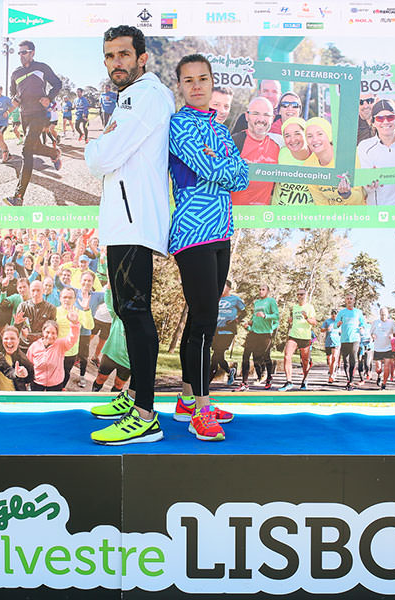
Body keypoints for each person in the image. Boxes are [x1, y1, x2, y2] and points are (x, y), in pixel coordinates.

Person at [84, 25, 174, 445]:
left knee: (135, 313)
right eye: (109, 56)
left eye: (123, 54)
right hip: (126, 220)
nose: (115, 62)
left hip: (134, 221)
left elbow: (101, 158)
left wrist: (98, 142)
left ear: (142, 58)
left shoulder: (143, 96)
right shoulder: (134, 97)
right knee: (126, 308)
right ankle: (134, 394)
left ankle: (145, 417)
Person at [163, 54, 249, 439]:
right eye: (188, 80)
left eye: (203, 79)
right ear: (179, 86)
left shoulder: (221, 130)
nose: (196, 86)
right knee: (202, 321)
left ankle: (185, 400)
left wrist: (220, 163)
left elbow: (242, 176)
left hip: (221, 232)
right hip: (192, 233)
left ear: (213, 83)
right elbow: (216, 170)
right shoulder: (179, 124)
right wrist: (220, 166)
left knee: (205, 320)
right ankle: (201, 410)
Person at [5, 40, 63, 206]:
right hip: (25, 115)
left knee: (26, 150)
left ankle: (18, 196)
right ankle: (54, 154)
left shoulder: (41, 67)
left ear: (32, 53)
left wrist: (49, 97)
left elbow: (57, 83)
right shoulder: (15, 73)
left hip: (39, 114)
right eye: (19, 52)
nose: (21, 55)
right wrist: (13, 101)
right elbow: (13, 94)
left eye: (24, 52)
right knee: (35, 147)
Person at [358, 99, 395, 206]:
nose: (385, 122)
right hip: (378, 214)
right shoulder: (364, 147)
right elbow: (364, 187)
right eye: (380, 118)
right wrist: (368, 185)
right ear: (373, 123)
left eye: (390, 117)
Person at [303, 117, 366, 205]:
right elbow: (320, 203)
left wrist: (347, 194)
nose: (314, 139)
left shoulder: (348, 155)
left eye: (320, 134)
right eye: (309, 136)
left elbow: (359, 198)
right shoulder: (309, 166)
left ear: (328, 135)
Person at [231, 97, 280, 206]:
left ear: (272, 118)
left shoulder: (277, 147)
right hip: (236, 217)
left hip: (262, 218)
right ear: (247, 116)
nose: (261, 119)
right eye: (256, 114)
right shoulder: (233, 143)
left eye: (266, 115)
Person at [239, 284, 279, 392]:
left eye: (263, 290)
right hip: (254, 332)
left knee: (264, 357)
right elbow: (254, 317)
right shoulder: (256, 303)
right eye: (259, 289)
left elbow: (276, 316)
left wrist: (265, 315)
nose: (261, 291)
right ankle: (244, 383)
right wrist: (249, 324)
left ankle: (269, 378)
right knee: (245, 355)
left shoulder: (271, 301)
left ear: (267, 291)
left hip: (265, 334)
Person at [27, 313, 81, 391]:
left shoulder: (61, 345)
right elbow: (29, 364)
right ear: (43, 332)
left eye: (53, 333)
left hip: (55, 384)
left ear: (57, 334)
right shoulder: (34, 346)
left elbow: (72, 338)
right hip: (37, 383)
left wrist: (74, 324)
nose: (50, 336)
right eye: (47, 332)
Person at [278, 288, 318, 391]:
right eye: (298, 295)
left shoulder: (310, 307)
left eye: (302, 294)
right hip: (294, 336)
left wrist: (306, 318)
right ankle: (289, 381)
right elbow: (293, 320)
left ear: (306, 295)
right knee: (287, 356)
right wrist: (290, 321)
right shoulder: (295, 307)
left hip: (305, 337)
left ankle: (305, 379)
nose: (300, 296)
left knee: (305, 361)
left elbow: (314, 322)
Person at [271, 117, 313, 205]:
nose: (293, 140)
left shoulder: (317, 157)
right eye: (287, 136)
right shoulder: (280, 153)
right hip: (278, 214)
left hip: (306, 216)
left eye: (297, 134)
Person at [210, 280, 245, 385]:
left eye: (224, 286)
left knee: (216, 355)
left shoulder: (235, 299)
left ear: (229, 288)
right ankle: (230, 371)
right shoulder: (216, 299)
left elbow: (244, 311)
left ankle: (206, 382)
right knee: (218, 355)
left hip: (228, 331)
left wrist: (236, 320)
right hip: (216, 331)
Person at [335, 293, 367, 391]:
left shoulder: (358, 312)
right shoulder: (341, 312)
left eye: (351, 299)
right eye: (347, 299)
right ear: (345, 301)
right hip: (344, 339)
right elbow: (336, 325)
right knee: (345, 361)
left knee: (353, 359)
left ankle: (351, 381)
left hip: (355, 339)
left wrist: (362, 327)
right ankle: (348, 379)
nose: (349, 300)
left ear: (354, 300)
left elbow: (363, 324)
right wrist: (338, 324)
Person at [17, 278, 57, 346]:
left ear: (43, 291)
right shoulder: (23, 306)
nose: (35, 293)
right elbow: (17, 327)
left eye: (38, 290)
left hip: (42, 345)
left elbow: (51, 331)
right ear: (29, 291)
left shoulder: (51, 309)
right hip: (24, 345)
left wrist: (30, 335)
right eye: (33, 290)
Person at [369, 307, 395, 390]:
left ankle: (384, 384)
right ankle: (379, 375)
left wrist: (392, 336)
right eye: (382, 314)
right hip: (378, 348)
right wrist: (373, 336)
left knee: (386, 367)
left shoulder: (391, 323)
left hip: (387, 348)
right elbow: (371, 333)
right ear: (379, 314)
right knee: (378, 368)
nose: (383, 316)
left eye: (385, 314)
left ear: (387, 314)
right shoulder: (375, 323)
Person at [320, 308, 341, 384]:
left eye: (335, 314)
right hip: (328, 342)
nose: (334, 315)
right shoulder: (327, 321)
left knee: (334, 358)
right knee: (329, 359)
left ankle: (331, 376)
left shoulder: (340, 322)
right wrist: (326, 329)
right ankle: (331, 369)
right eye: (332, 314)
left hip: (336, 342)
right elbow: (321, 330)